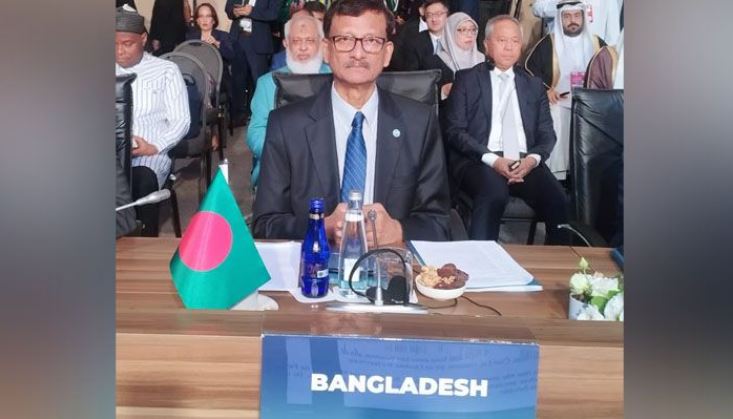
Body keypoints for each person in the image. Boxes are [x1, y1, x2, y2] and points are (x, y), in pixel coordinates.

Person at [252, 0, 451, 246]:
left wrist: (398, 230)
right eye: (345, 40)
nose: (358, 53)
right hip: (315, 265)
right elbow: (265, 224)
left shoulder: (419, 123)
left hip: (390, 262)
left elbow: (439, 223)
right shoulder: (286, 125)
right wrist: (322, 226)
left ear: (387, 53)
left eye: (371, 41)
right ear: (327, 49)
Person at [442, 15, 568, 244]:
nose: (509, 47)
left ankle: (559, 261)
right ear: (486, 44)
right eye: (502, 40)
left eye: (515, 41)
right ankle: (482, 260)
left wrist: (532, 160)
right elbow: (455, 131)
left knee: (559, 199)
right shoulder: (467, 80)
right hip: (480, 160)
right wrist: (494, 160)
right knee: (493, 194)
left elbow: (547, 134)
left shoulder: (533, 85)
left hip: (524, 161)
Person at [115, 5, 190, 236]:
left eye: (127, 44)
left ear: (143, 39)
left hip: (149, 155)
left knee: (141, 182)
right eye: (113, 44)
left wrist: (154, 146)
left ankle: (143, 244)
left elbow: (181, 120)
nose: (119, 51)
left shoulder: (166, 70)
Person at [247, 14, 331, 188]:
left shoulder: (337, 80)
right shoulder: (267, 83)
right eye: (296, 41)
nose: (303, 47)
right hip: (278, 169)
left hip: (329, 169)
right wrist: (289, 154)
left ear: (322, 43)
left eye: (309, 40)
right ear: (286, 44)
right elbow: (255, 133)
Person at [525, 0, 605, 179]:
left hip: (590, 105)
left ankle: (585, 178)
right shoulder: (548, 43)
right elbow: (529, 69)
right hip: (559, 103)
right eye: (567, 16)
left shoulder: (597, 43)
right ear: (560, 19)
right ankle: (558, 177)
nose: (572, 20)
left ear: (583, 17)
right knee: (553, 117)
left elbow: (609, 71)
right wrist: (546, 90)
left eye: (577, 15)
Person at [186, 3, 235, 148]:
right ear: (196, 20)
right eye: (201, 16)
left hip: (219, 80)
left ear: (214, 20)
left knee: (202, 87)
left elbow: (231, 56)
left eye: (208, 16)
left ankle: (211, 131)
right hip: (196, 79)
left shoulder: (222, 36)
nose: (204, 20)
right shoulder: (190, 37)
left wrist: (218, 44)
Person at [225, 0, 281, 126]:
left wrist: (252, 11)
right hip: (238, 39)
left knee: (259, 81)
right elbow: (228, 7)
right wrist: (234, 11)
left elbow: (273, 14)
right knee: (237, 80)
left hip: (258, 42)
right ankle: (238, 116)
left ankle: (260, 116)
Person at [395, 0, 453, 95]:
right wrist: (441, 91)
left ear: (447, 16)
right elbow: (411, 79)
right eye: (429, 15)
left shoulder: (457, 38)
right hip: (427, 97)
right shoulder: (414, 42)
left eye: (439, 14)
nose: (434, 19)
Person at [435, 12, 485, 98]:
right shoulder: (437, 60)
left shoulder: (483, 59)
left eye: (473, 30)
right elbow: (425, 95)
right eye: (462, 30)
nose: (469, 35)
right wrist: (444, 91)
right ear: (450, 32)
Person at [531, 0, 620, 45]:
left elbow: (613, 34)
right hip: (559, 52)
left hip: (593, 56)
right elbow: (536, 8)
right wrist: (562, 5)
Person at [270, 2, 327, 71]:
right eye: (296, 41)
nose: (303, 47)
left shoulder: (332, 58)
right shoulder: (280, 61)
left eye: (320, 20)